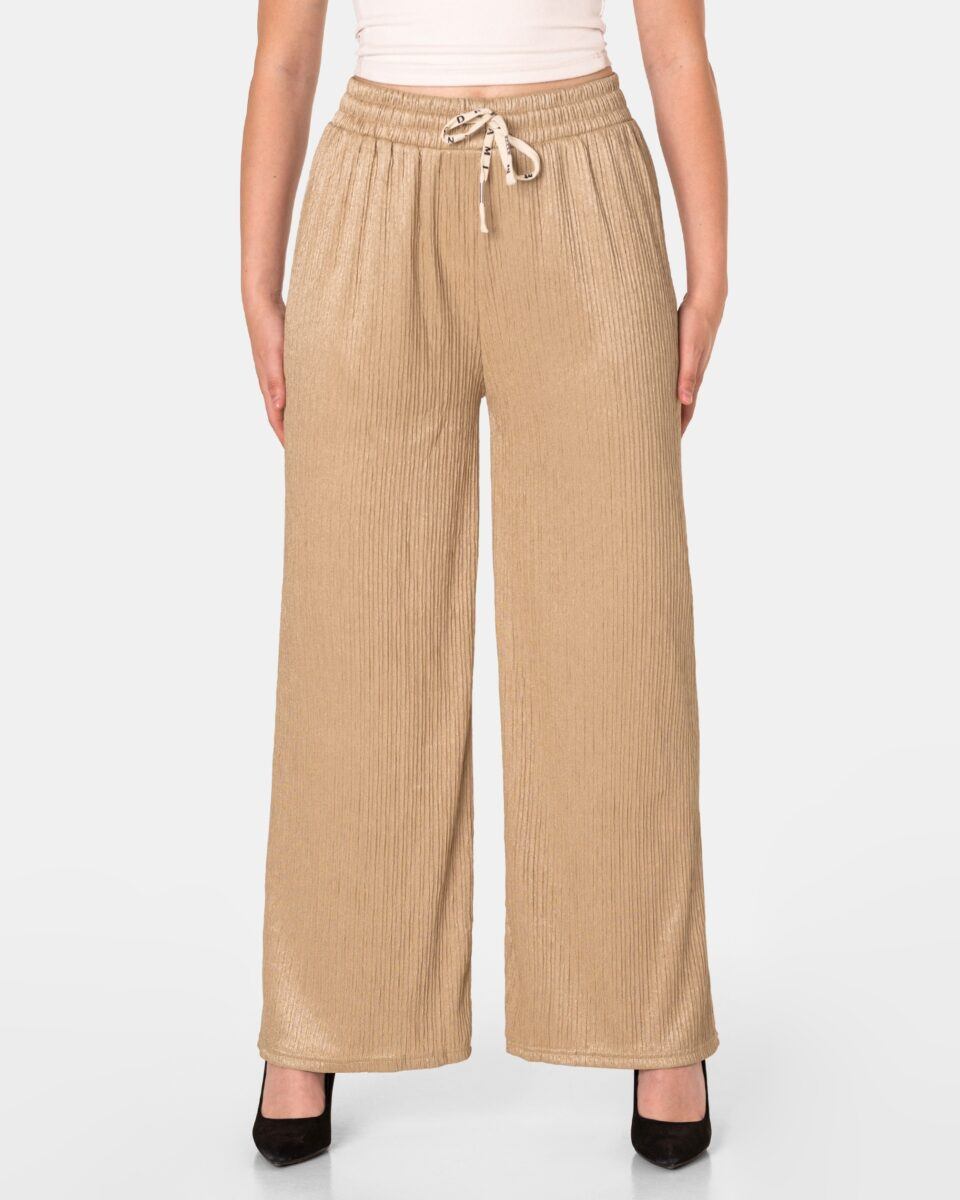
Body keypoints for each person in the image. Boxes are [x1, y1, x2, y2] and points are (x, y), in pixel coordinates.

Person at [241, 0, 727, 1171]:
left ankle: (654, 1021)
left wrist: (710, 273)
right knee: (353, 629)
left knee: (619, 625)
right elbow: (285, 53)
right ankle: (315, 1019)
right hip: (372, 193)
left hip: (585, 182)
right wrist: (256, 279)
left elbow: (675, 43)